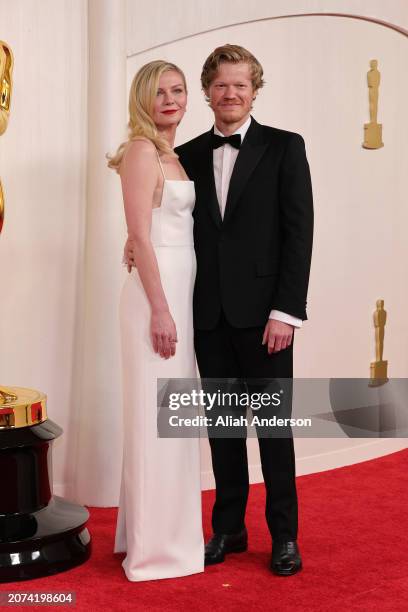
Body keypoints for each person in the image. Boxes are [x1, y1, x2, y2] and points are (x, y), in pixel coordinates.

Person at [126, 44, 313, 576]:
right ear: (207, 91)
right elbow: (162, 216)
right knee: (224, 433)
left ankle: (285, 538)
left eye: (241, 85)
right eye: (221, 85)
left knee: (275, 432)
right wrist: (131, 240)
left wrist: (287, 312)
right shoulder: (182, 154)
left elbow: (299, 235)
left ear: (254, 90)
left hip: (266, 320)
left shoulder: (285, 147)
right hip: (205, 316)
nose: (230, 93)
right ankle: (227, 528)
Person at [108, 60, 204, 582]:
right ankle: (156, 549)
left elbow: (154, 225)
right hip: (156, 299)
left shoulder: (174, 155)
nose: (169, 99)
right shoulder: (142, 151)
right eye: (158, 92)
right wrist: (161, 309)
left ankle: (160, 533)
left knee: (173, 414)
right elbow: (142, 237)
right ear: (142, 100)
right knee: (156, 417)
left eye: (177, 90)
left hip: (177, 293)